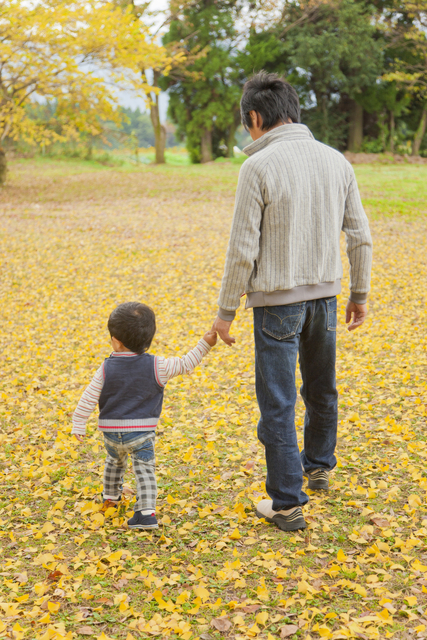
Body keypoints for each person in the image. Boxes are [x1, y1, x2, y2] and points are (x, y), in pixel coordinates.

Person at [212, 71, 373, 532]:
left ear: (255, 117)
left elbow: (242, 248)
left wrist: (225, 313)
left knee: (278, 403)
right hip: (325, 298)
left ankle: (286, 502)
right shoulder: (336, 161)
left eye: (247, 123)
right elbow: (360, 236)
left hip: (275, 302)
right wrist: (359, 293)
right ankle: (319, 466)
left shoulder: (257, 167)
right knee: (322, 388)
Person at [72, 301, 217, 529]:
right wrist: (205, 344)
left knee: (114, 461)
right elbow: (187, 363)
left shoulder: (106, 367)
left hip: (111, 432)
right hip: (141, 434)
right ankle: (146, 514)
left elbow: (88, 396)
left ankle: (110, 497)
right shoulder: (158, 366)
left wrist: (79, 423)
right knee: (144, 470)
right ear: (149, 338)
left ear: (115, 341)